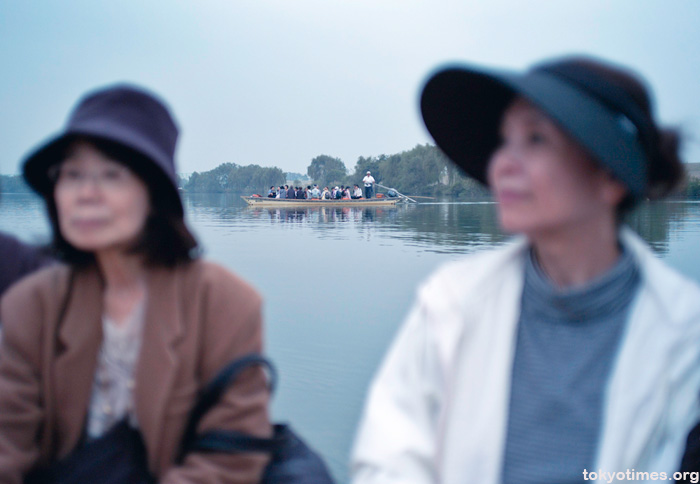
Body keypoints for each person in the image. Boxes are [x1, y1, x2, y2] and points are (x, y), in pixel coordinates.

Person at [351, 56, 700, 484]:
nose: (502, 164)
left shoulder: (687, 338)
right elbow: (388, 459)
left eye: (535, 138)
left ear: (610, 175)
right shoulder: (449, 304)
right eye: (503, 140)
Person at [0, 84, 271, 482]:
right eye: (72, 174)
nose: (86, 194)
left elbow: (230, 460)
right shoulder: (32, 305)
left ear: (154, 194)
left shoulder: (226, 303)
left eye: (111, 174)